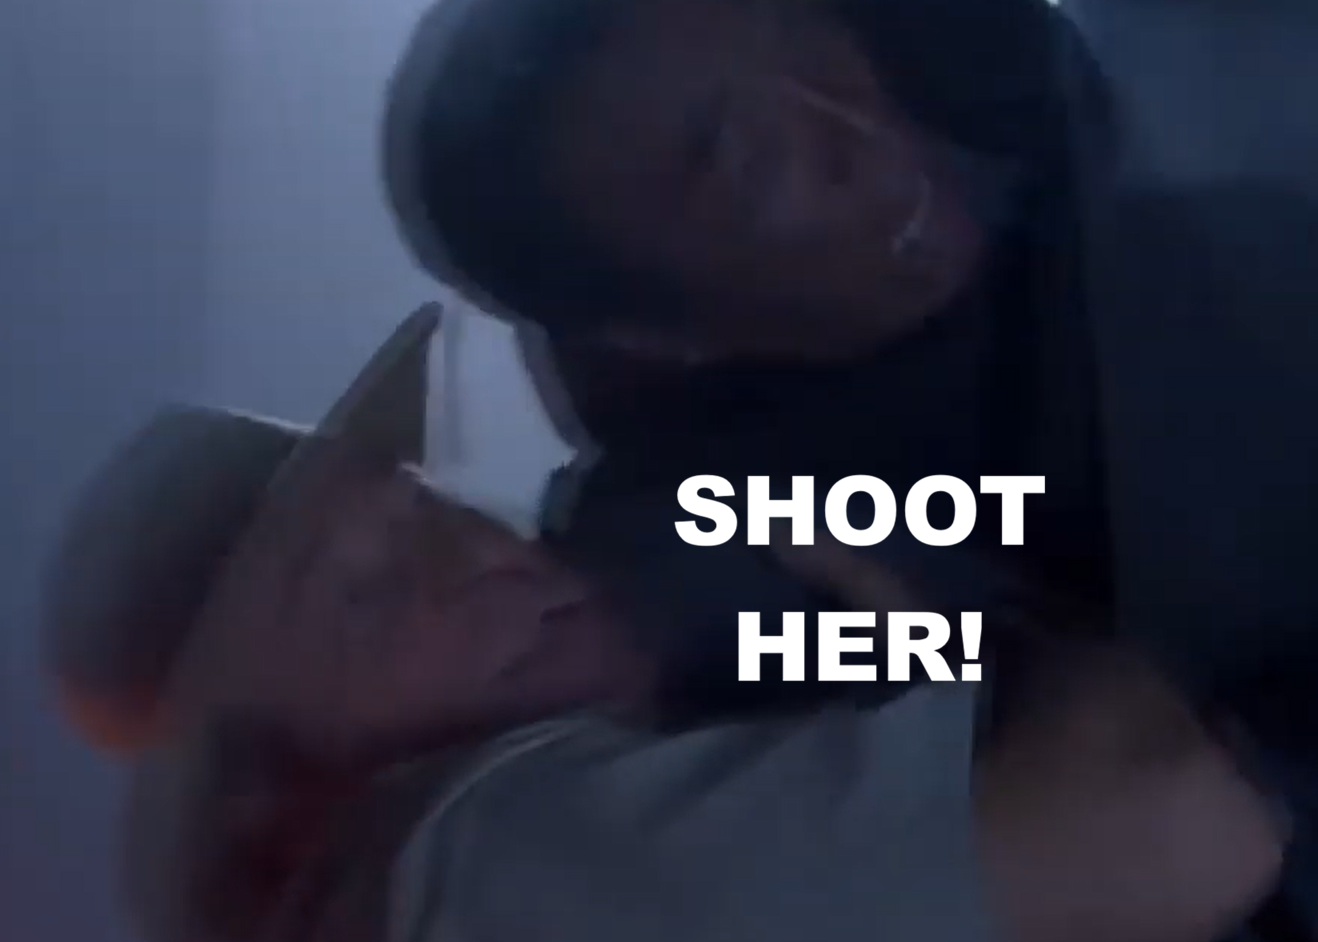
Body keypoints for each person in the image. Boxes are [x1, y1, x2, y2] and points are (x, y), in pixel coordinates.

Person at [77, 310, 1281, 942]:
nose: (489, 557)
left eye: (435, 511)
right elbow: (1176, 814)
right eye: (366, 593)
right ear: (274, 813)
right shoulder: (473, 875)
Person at [381, 0, 1113, 719]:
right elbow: (707, 618)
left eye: (803, 34)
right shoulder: (726, 529)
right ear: (656, 336)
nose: (858, 120)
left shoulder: (1011, 70)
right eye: (752, 159)